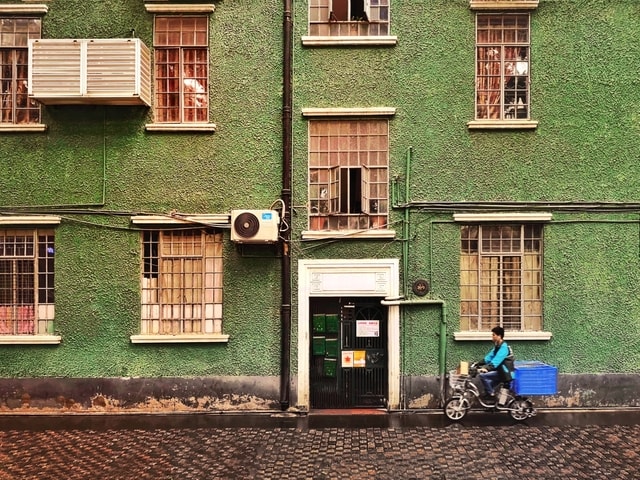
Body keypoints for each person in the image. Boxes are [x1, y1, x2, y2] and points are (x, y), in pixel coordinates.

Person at [477, 326, 515, 402]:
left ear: (499, 336)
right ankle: (493, 405)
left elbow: (496, 361)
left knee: (483, 376)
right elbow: (489, 357)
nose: (492, 336)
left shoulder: (504, 348)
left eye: (493, 335)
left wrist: (486, 368)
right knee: (489, 385)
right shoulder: (498, 346)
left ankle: (491, 395)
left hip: (505, 373)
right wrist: (478, 363)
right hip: (501, 371)